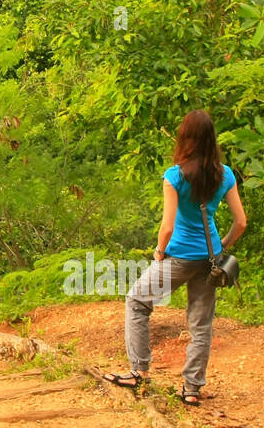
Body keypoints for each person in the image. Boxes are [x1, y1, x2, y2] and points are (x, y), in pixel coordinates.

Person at [102, 109, 247, 406]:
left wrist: (158, 253)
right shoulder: (226, 174)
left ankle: (138, 371)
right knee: (201, 324)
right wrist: (221, 246)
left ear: (185, 138)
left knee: (137, 301)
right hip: (210, 260)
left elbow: (167, 227)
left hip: (179, 258)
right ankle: (191, 390)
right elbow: (241, 222)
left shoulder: (175, 176)